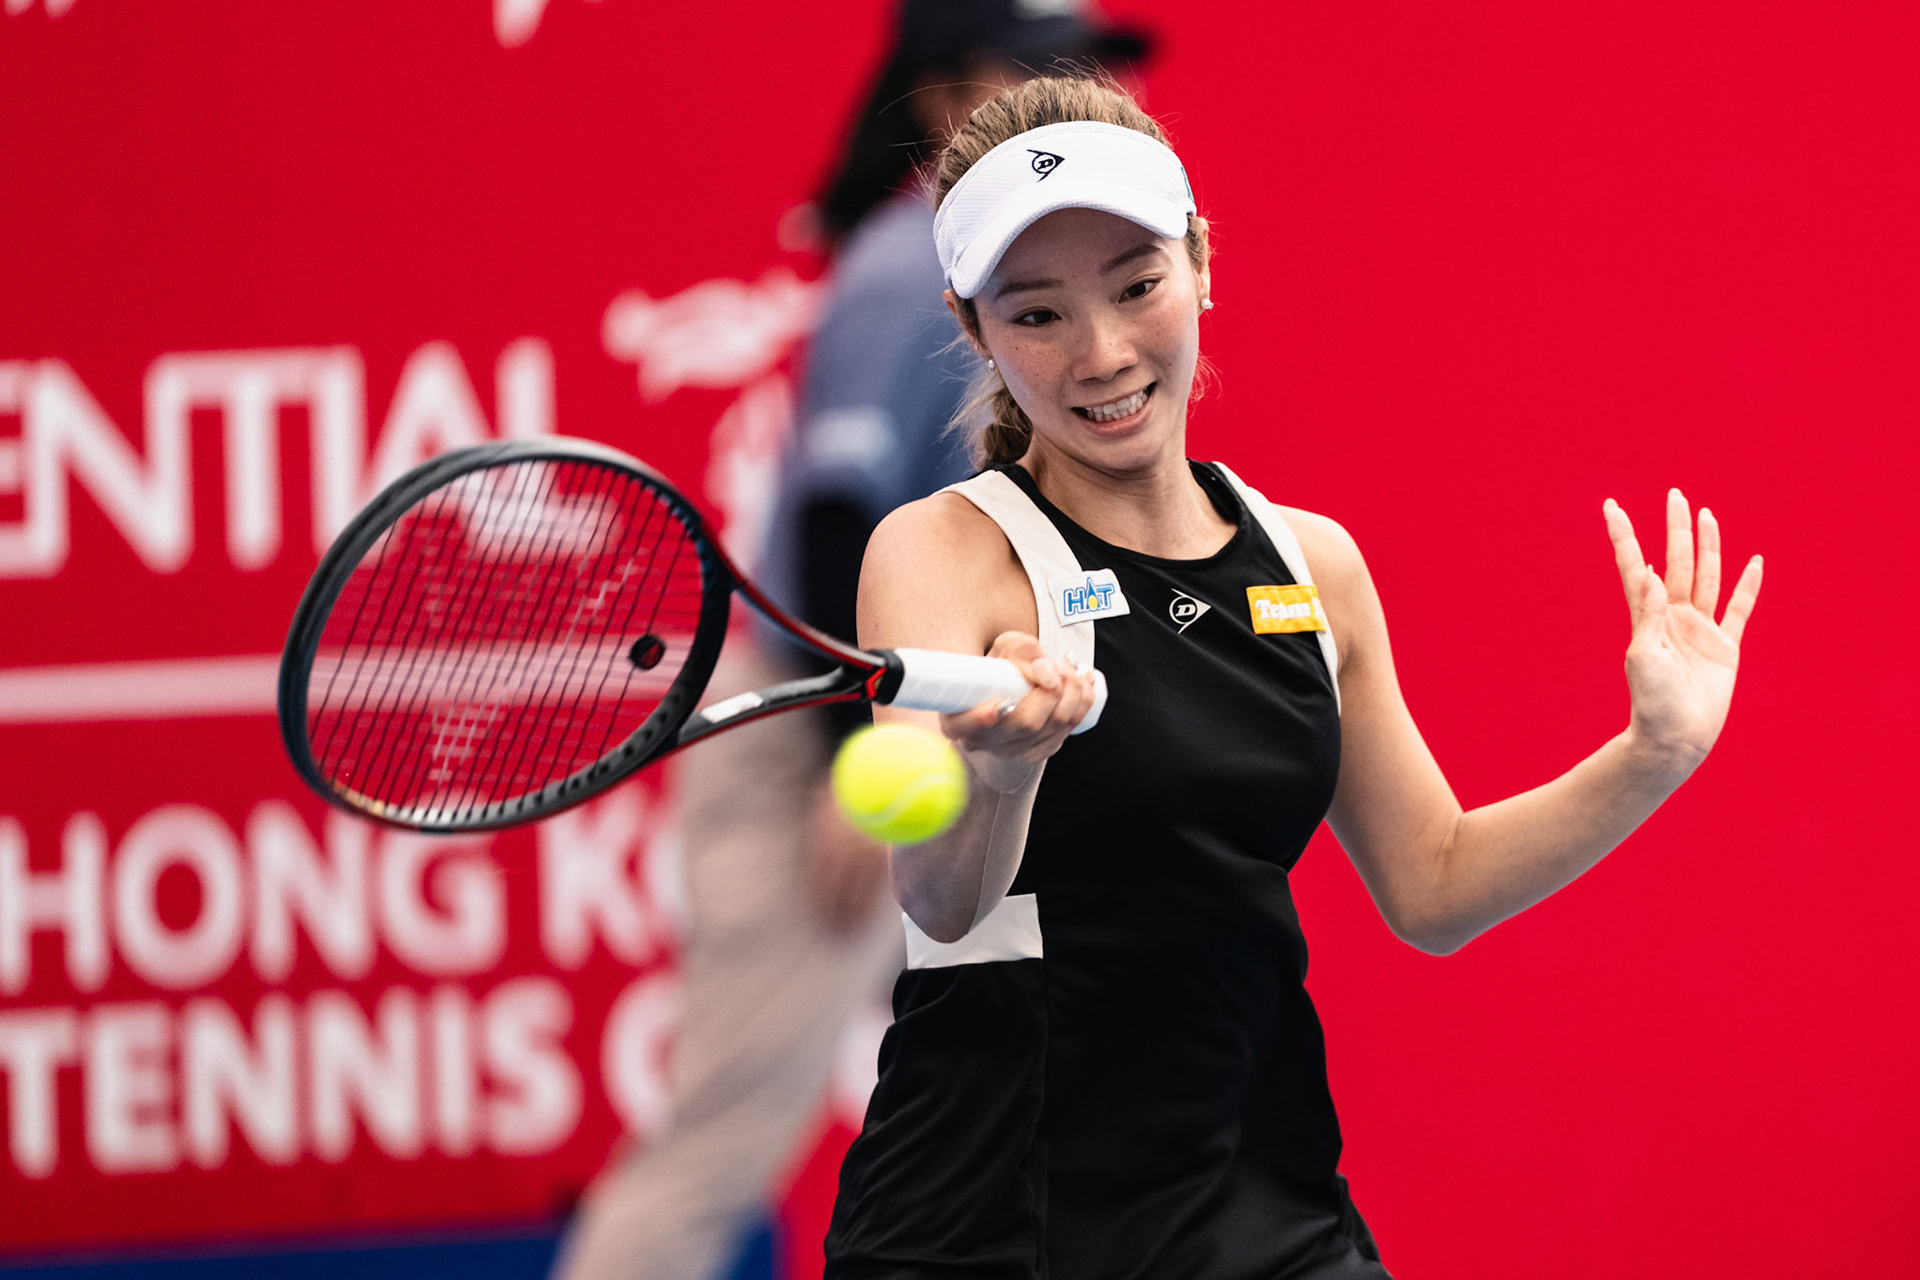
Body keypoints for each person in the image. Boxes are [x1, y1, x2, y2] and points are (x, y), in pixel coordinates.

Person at [823, 76, 1765, 1278]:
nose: (1103, 351)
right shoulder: (940, 550)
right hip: (993, 1226)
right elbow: (943, 901)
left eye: (1137, 284)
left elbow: (1434, 883)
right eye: (1039, 313)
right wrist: (1006, 771)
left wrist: (1653, 755)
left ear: (1202, 261)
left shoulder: (1312, 563)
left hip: (1264, 1216)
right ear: (976, 329)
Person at [550, 9, 1151, 1280]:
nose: (1070, 99)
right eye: (1034, 70)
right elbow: (835, 515)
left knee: (1057, 1103)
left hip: (964, 727)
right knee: (723, 1141)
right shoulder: (900, 272)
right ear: (944, 102)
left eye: (1078, 71)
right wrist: (852, 760)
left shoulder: (1043, 295)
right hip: (829, 730)